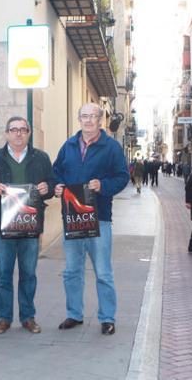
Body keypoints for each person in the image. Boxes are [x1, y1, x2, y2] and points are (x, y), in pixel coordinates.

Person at [53, 103, 130, 336]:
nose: (88, 120)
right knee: (72, 271)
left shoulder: (112, 147)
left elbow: (123, 177)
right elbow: (56, 171)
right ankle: (74, 314)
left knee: (103, 272)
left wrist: (103, 185)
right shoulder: (68, 146)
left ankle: (107, 317)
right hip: (73, 218)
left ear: (100, 120)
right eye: (84, 116)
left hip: (100, 219)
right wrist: (57, 186)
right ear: (79, 119)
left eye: (93, 116)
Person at [0, 116, 55, 334]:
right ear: (6, 133)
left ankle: (28, 317)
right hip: (2, 227)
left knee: (28, 273)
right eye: (14, 130)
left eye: (23, 129)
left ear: (29, 133)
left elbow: (51, 183)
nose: (18, 134)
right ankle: (3, 318)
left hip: (30, 227)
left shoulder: (41, 158)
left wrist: (46, 188)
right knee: (3, 274)